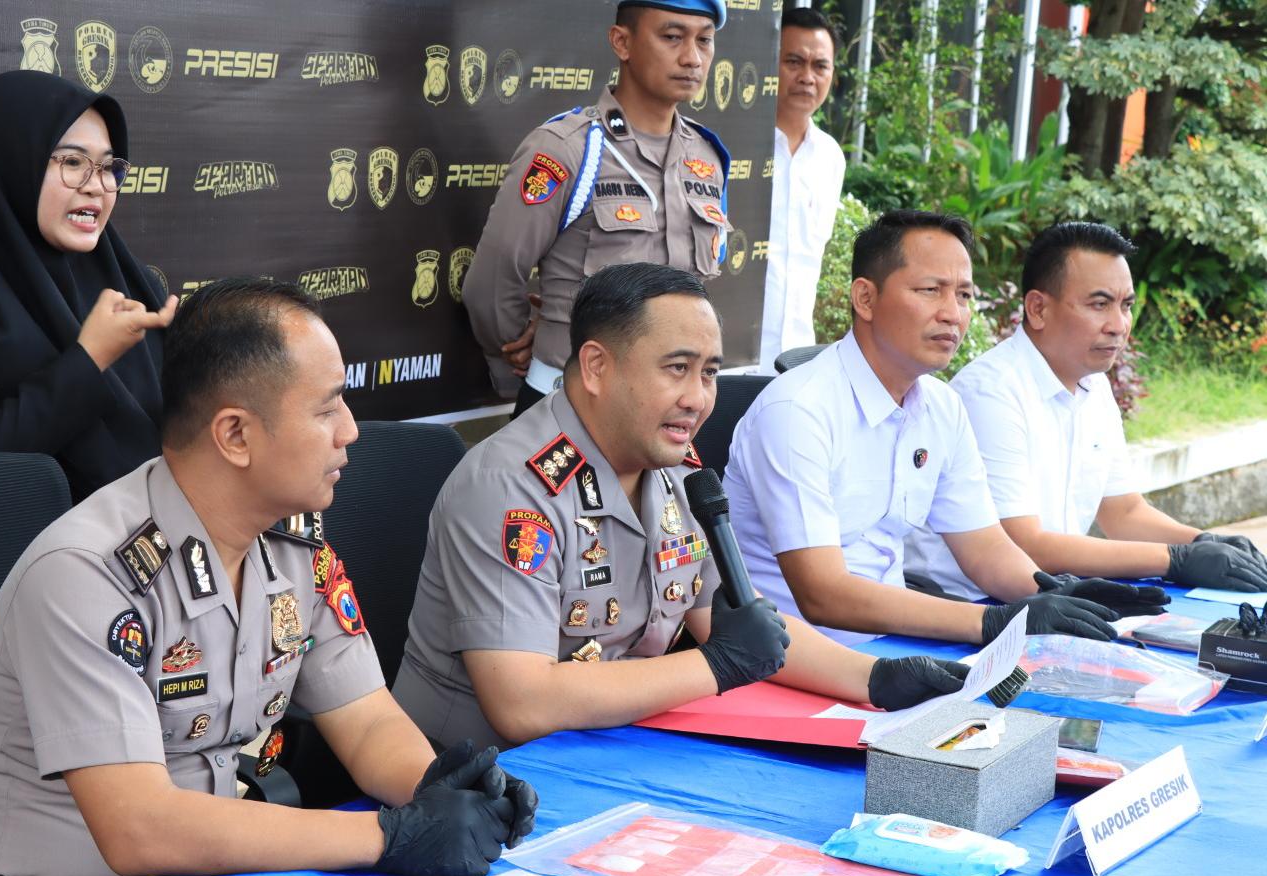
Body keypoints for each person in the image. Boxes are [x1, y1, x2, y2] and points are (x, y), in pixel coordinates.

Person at [0, 277, 536, 876]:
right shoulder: (87, 574)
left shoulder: (295, 548)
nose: (350, 432)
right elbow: (139, 830)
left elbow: (367, 723)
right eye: (326, 408)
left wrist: (440, 792)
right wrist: (387, 835)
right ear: (234, 435)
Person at [393, 262, 975, 752]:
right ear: (597, 367)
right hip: (476, 779)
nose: (697, 400)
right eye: (677, 369)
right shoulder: (510, 485)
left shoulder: (676, 468)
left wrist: (876, 679)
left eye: (710, 373)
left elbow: (730, 623)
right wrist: (714, 667)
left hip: (611, 743)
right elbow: (523, 703)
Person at [723, 210, 1167, 648]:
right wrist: (992, 621)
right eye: (931, 291)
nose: (952, 314)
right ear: (865, 299)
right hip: (796, 658)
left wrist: (1052, 592)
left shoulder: (941, 407)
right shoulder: (798, 410)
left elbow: (985, 547)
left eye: (964, 296)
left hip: (894, 641)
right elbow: (823, 594)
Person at [906, 221, 1267, 598]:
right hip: (971, 606)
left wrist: (1205, 542)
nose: (1119, 325)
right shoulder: (991, 393)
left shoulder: (1094, 386)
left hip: (1054, 594)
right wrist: (1174, 559)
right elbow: (1024, 543)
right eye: (1099, 304)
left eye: (1126, 305)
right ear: (1038, 308)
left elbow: (1123, 512)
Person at [0, 70, 176, 501]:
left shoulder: (128, 281)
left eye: (110, 167)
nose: (97, 186)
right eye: (72, 162)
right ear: (8, 165)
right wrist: (88, 362)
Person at [463, 0, 732, 416]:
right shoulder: (568, 148)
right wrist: (522, 349)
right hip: (572, 402)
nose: (692, 58)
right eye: (672, 37)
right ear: (622, 42)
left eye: (705, 40)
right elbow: (491, 282)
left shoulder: (707, 157)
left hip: (667, 412)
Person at [759, 6, 846, 373]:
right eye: (794, 61)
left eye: (820, 66)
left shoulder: (830, 157)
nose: (807, 77)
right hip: (727, 358)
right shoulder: (737, 146)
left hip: (795, 360)